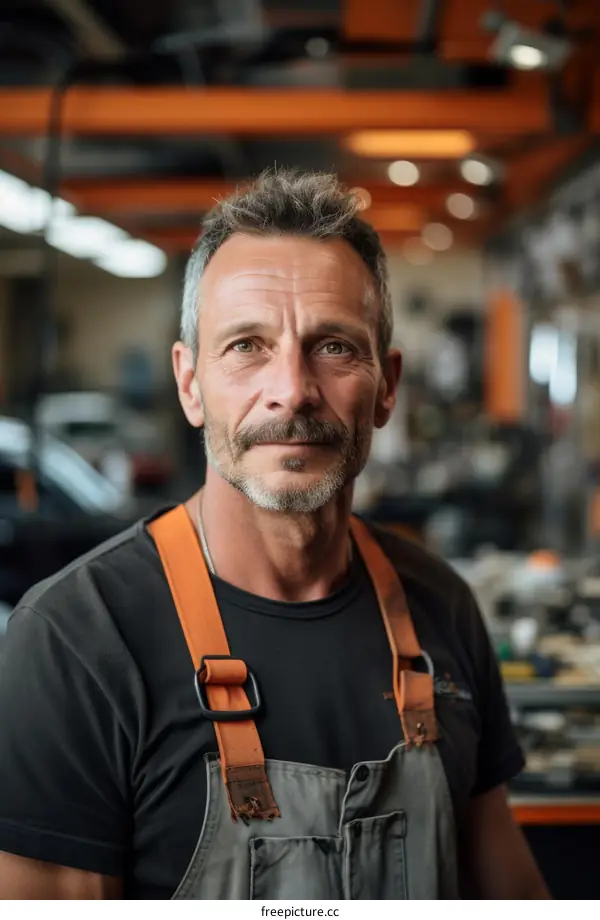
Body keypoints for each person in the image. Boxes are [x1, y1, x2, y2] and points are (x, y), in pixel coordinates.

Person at [0, 170, 549, 900]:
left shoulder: (441, 606)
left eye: (334, 346)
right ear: (190, 384)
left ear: (387, 386)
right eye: (246, 346)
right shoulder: (76, 642)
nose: (291, 389)